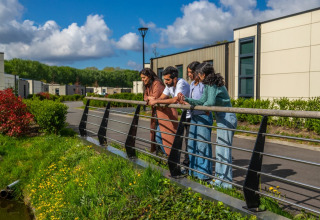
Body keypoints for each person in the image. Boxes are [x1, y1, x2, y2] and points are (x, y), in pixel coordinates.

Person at [178, 63, 237, 189]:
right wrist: (186, 100)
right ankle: (220, 180)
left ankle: (226, 184)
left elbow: (209, 102)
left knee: (224, 151)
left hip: (227, 117)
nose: (197, 76)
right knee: (220, 150)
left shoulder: (212, 84)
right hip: (222, 117)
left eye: (199, 74)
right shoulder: (208, 85)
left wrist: (202, 106)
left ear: (203, 74)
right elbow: (201, 101)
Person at [148, 66, 190, 161]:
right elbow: (162, 98)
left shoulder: (181, 83)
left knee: (188, 142)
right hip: (184, 115)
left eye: (167, 79)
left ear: (175, 79)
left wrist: (155, 101)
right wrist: (154, 99)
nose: (165, 82)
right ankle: (171, 159)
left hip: (191, 115)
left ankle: (185, 165)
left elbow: (175, 100)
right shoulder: (169, 85)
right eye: (164, 79)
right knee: (159, 136)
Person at [181, 61, 213, 181]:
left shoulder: (205, 84)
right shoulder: (193, 84)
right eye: (188, 72)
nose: (189, 74)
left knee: (202, 145)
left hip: (203, 117)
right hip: (194, 116)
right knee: (191, 145)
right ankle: (194, 172)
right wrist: (185, 101)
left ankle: (204, 176)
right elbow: (194, 100)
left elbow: (206, 100)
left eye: (191, 72)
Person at [140, 68, 178, 156]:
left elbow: (156, 97)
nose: (142, 80)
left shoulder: (157, 83)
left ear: (149, 76)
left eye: (143, 77)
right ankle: (165, 156)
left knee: (163, 137)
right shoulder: (148, 85)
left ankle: (169, 157)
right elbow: (146, 97)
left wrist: (150, 98)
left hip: (165, 114)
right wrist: (149, 98)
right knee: (158, 136)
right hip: (157, 114)